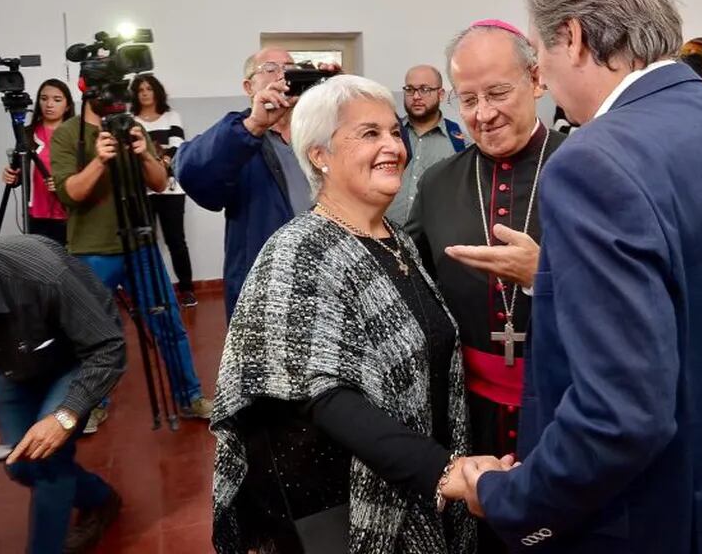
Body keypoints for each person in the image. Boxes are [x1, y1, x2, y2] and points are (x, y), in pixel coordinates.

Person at [460, 0, 702, 553]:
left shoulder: (595, 161)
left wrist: (508, 499)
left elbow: (620, 415)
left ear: (572, 37)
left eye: (541, 53)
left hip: (655, 521)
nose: (542, 76)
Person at [211, 75, 511, 553]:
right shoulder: (297, 251)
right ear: (319, 155)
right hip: (342, 510)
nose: (393, 145)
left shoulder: (397, 241)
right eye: (369, 134)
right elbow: (323, 396)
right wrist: (442, 470)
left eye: (394, 132)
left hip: (418, 484)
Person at [405, 19, 565, 553]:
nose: (483, 113)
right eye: (467, 99)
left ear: (537, 79)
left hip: (567, 405)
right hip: (467, 411)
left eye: (498, 92)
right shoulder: (438, 183)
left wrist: (549, 277)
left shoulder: (587, 167)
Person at [49, 97, 212, 432]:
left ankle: (190, 396)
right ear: (88, 88)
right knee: (93, 335)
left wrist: (141, 152)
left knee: (168, 324)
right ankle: (92, 405)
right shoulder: (69, 134)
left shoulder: (130, 127)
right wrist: (100, 160)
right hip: (92, 249)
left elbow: (158, 182)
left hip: (141, 246)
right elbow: (70, 193)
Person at [0, 235, 126, 553]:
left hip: (78, 354)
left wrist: (64, 415)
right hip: (15, 361)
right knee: (19, 463)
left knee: (48, 460)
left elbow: (108, 347)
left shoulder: (42, 273)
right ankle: (100, 498)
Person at [176, 47, 315, 319]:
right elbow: (192, 173)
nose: (283, 73)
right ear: (249, 86)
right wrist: (254, 126)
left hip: (321, 271)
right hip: (264, 283)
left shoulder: (318, 131)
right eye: (271, 68)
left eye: (290, 66)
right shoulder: (238, 135)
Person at [130, 74, 197, 307]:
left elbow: (178, 146)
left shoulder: (171, 116)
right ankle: (154, 292)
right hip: (141, 191)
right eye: (140, 90)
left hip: (171, 189)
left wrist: (161, 164)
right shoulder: (131, 120)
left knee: (176, 240)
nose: (145, 93)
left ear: (157, 91)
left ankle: (187, 289)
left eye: (149, 88)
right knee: (146, 242)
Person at [386, 64, 467, 225]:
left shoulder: (461, 143)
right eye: (409, 89)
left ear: (441, 94)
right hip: (386, 237)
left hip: (434, 240)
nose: (416, 96)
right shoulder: (389, 136)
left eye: (424, 89)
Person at [1, 79, 76, 245]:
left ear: (68, 105)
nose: (49, 104)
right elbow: (22, 173)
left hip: (70, 213)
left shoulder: (76, 135)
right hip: (36, 214)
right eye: (44, 98)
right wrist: (12, 177)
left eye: (57, 100)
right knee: (41, 265)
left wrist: (65, 184)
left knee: (70, 265)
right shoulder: (27, 134)